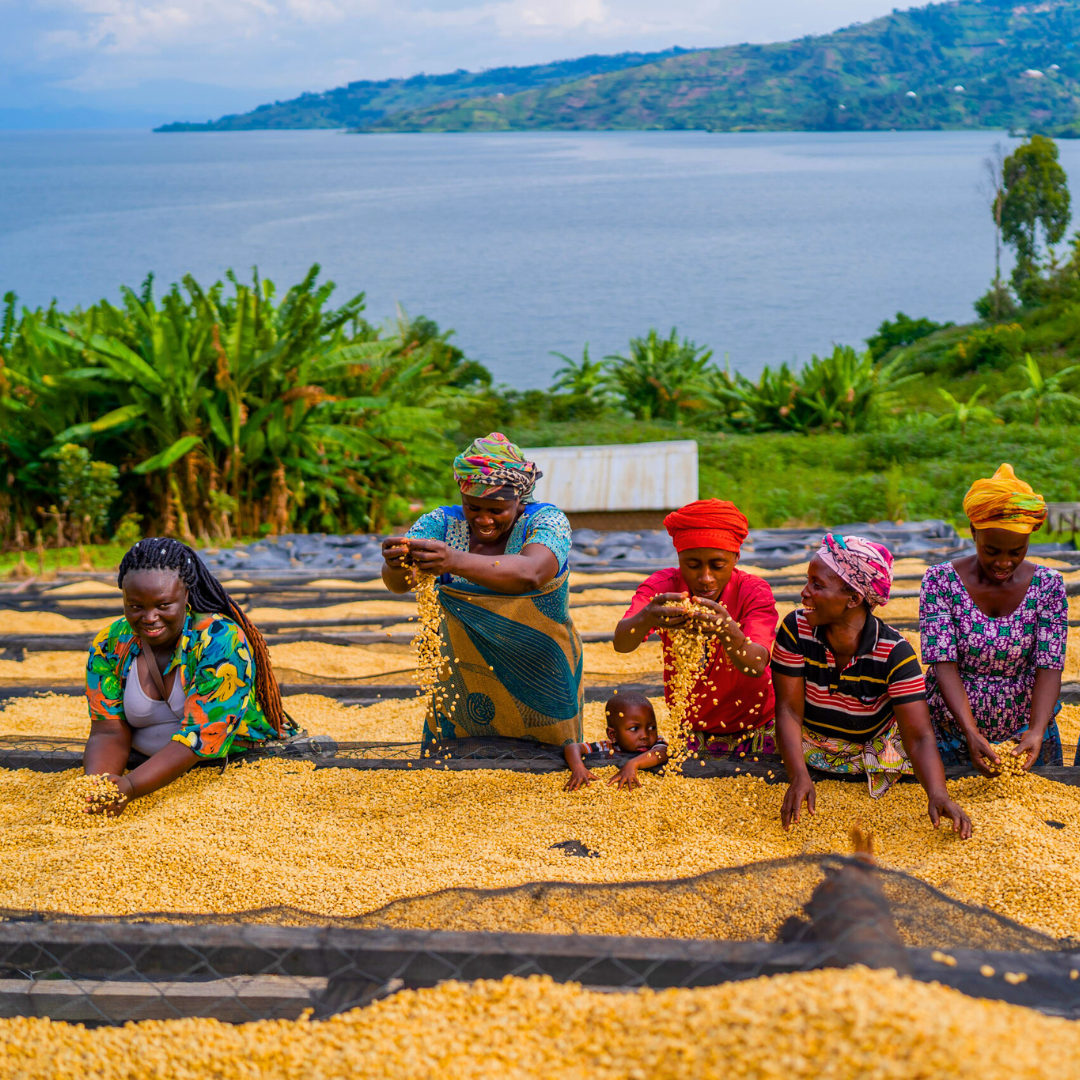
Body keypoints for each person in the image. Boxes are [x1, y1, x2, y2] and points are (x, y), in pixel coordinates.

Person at [382, 432, 582, 746]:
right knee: (455, 766)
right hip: (462, 679)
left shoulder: (546, 521)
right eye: (473, 508)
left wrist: (453, 560)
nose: (484, 519)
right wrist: (397, 564)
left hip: (539, 678)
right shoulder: (442, 523)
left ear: (519, 499)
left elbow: (530, 573)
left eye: (497, 510)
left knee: (546, 765)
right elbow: (399, 585)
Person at [772, 533, 971, 839]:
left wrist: (938, 794)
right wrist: (798, 775)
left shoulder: (894, 653)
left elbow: (918, 737)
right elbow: (787, 709)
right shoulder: (795, 629)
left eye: (817, 585)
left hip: (874, 748)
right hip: (811, 743)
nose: (804, 593)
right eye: (807, 581)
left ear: (853, 599)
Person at [84, 538, 295, 815]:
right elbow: (107, 730)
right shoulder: (111, 643)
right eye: (135, 606)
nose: (149, 617)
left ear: (186, 596)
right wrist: (98, 789)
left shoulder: (218, 638)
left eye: (163, 605)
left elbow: (201, 736)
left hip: (229, 769)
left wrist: (131, 788)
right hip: (144, 770)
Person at [920, 463, 1067, 773]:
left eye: (1017, 551)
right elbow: (943, 663)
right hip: (951, 732)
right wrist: (971, 732)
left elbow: (1049, 665)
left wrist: (1037, 729)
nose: (1004, 562)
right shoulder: (940, 582)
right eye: (991, 550)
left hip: (1025, 733)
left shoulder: (1048, 585)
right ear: (973, 532)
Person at [613, 499, 777, 757]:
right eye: (692, 565)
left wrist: (727, 629)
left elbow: (756, 665)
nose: (705, 578)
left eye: (717, 565)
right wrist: (647, 617)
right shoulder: (664, 587)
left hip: (757, 725)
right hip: (691, 727)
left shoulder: (753, 592)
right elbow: (622, 643)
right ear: (679, 558)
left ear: (736, 557)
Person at [563, 691, 669, 792]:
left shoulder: (656, 743)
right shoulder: (608, 748)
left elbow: (662, 752)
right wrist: (578, 768)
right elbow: (572, 747)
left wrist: (633, 764)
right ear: (613, 735)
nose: (645, 735)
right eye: (634, 729)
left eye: (651, 728)